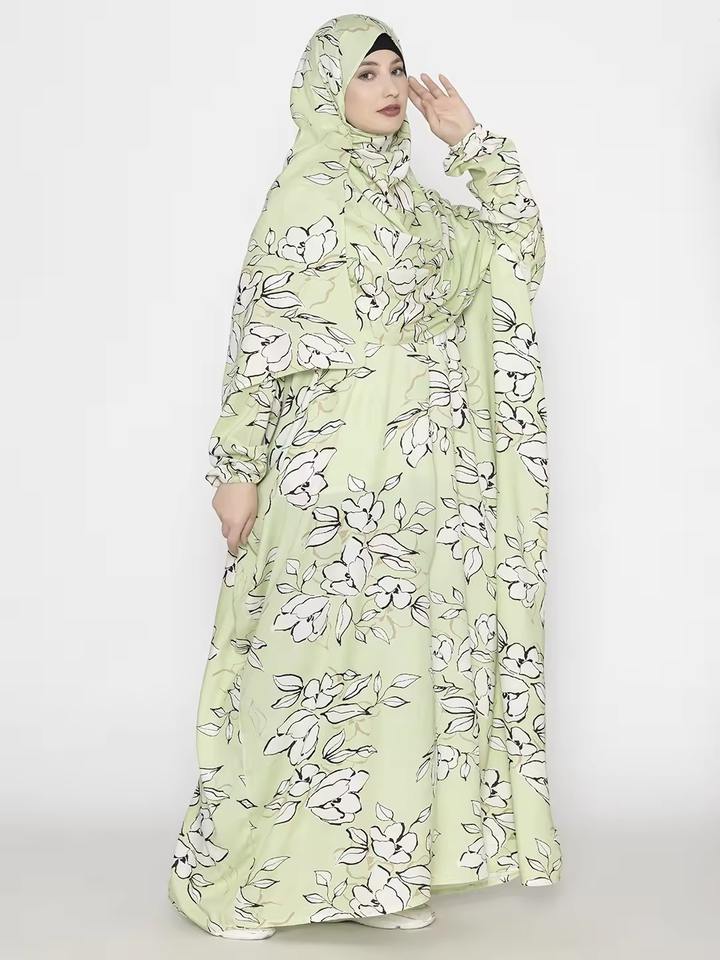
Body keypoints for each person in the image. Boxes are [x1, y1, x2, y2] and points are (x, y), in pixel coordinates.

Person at [167, 12, 563, 940]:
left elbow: (516, 255)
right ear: (326, 91)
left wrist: (471, 145)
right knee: (303, 664)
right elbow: (259, 340)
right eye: (365, 72)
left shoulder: (422, 210)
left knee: (397, 670)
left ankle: (376, 876)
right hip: (329, 462)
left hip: (421, 479)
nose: (388, 87)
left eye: (396, 70)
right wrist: (236, 468)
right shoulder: (303, 197)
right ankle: (242, 883)